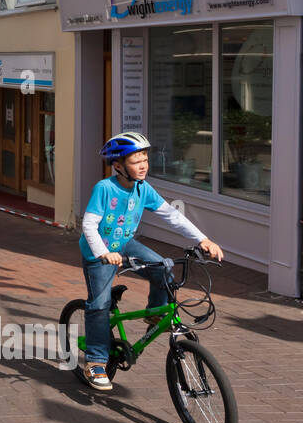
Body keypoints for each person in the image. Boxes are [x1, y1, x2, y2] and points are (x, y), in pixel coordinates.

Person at [79, 132, 224, 392]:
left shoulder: (142, 188)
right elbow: (89, 225)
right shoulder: (105, 188)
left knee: (164, 266)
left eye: (145, 158)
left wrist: (204, 239)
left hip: (124, 244)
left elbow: (172, 216)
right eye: (136, 161)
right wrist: (103, 252)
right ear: (119, 165)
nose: (143, 165)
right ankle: (96, 361)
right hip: (99, 252)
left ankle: (156, 314)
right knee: (98, 305)